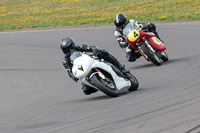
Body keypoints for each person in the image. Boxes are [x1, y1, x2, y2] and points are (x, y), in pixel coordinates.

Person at [60, 37, 125, 95]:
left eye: (70, 48)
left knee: (102, 52)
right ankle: (101, 84)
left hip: (91, 62)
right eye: (65, 50)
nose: (69, 51)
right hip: (84, 71)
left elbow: (90, 48)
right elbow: (69, 71)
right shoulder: (65, 60)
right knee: (86, 90)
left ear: (73, 45)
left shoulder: (80, 47)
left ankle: (118, 65)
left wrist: (95, 50)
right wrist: (74, 77)